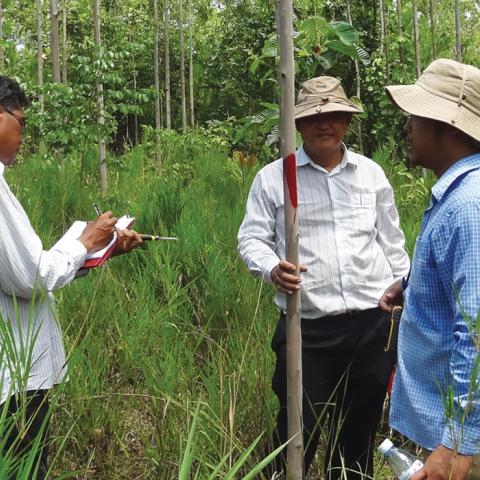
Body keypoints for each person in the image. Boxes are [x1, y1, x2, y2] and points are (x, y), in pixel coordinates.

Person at [238, 76, 410, 479]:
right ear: (298, 124)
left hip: (372, 325)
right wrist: (271, 267)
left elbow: (393, 244)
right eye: (314, 116)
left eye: (334, 115)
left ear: (347, 122)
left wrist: (405, 291)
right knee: (296, 432)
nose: (324, 124)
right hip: (307, 330)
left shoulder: (370, 174)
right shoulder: (275, 177)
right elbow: (251, 240)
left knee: (358, 433)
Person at [0, 75, 142, 479]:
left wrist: (102, 249)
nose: (22, 135)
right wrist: (85, 240)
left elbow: (20, 272)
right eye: (21, 122)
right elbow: (33, 277)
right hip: (14, 378)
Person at [380, 58, 480, 480]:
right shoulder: (457, 196)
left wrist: (457, 444)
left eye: (417, 117)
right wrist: (412, 284)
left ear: (450, 128)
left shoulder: (468, 207)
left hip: (459, 445)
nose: (408, 128)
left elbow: (476, 335)